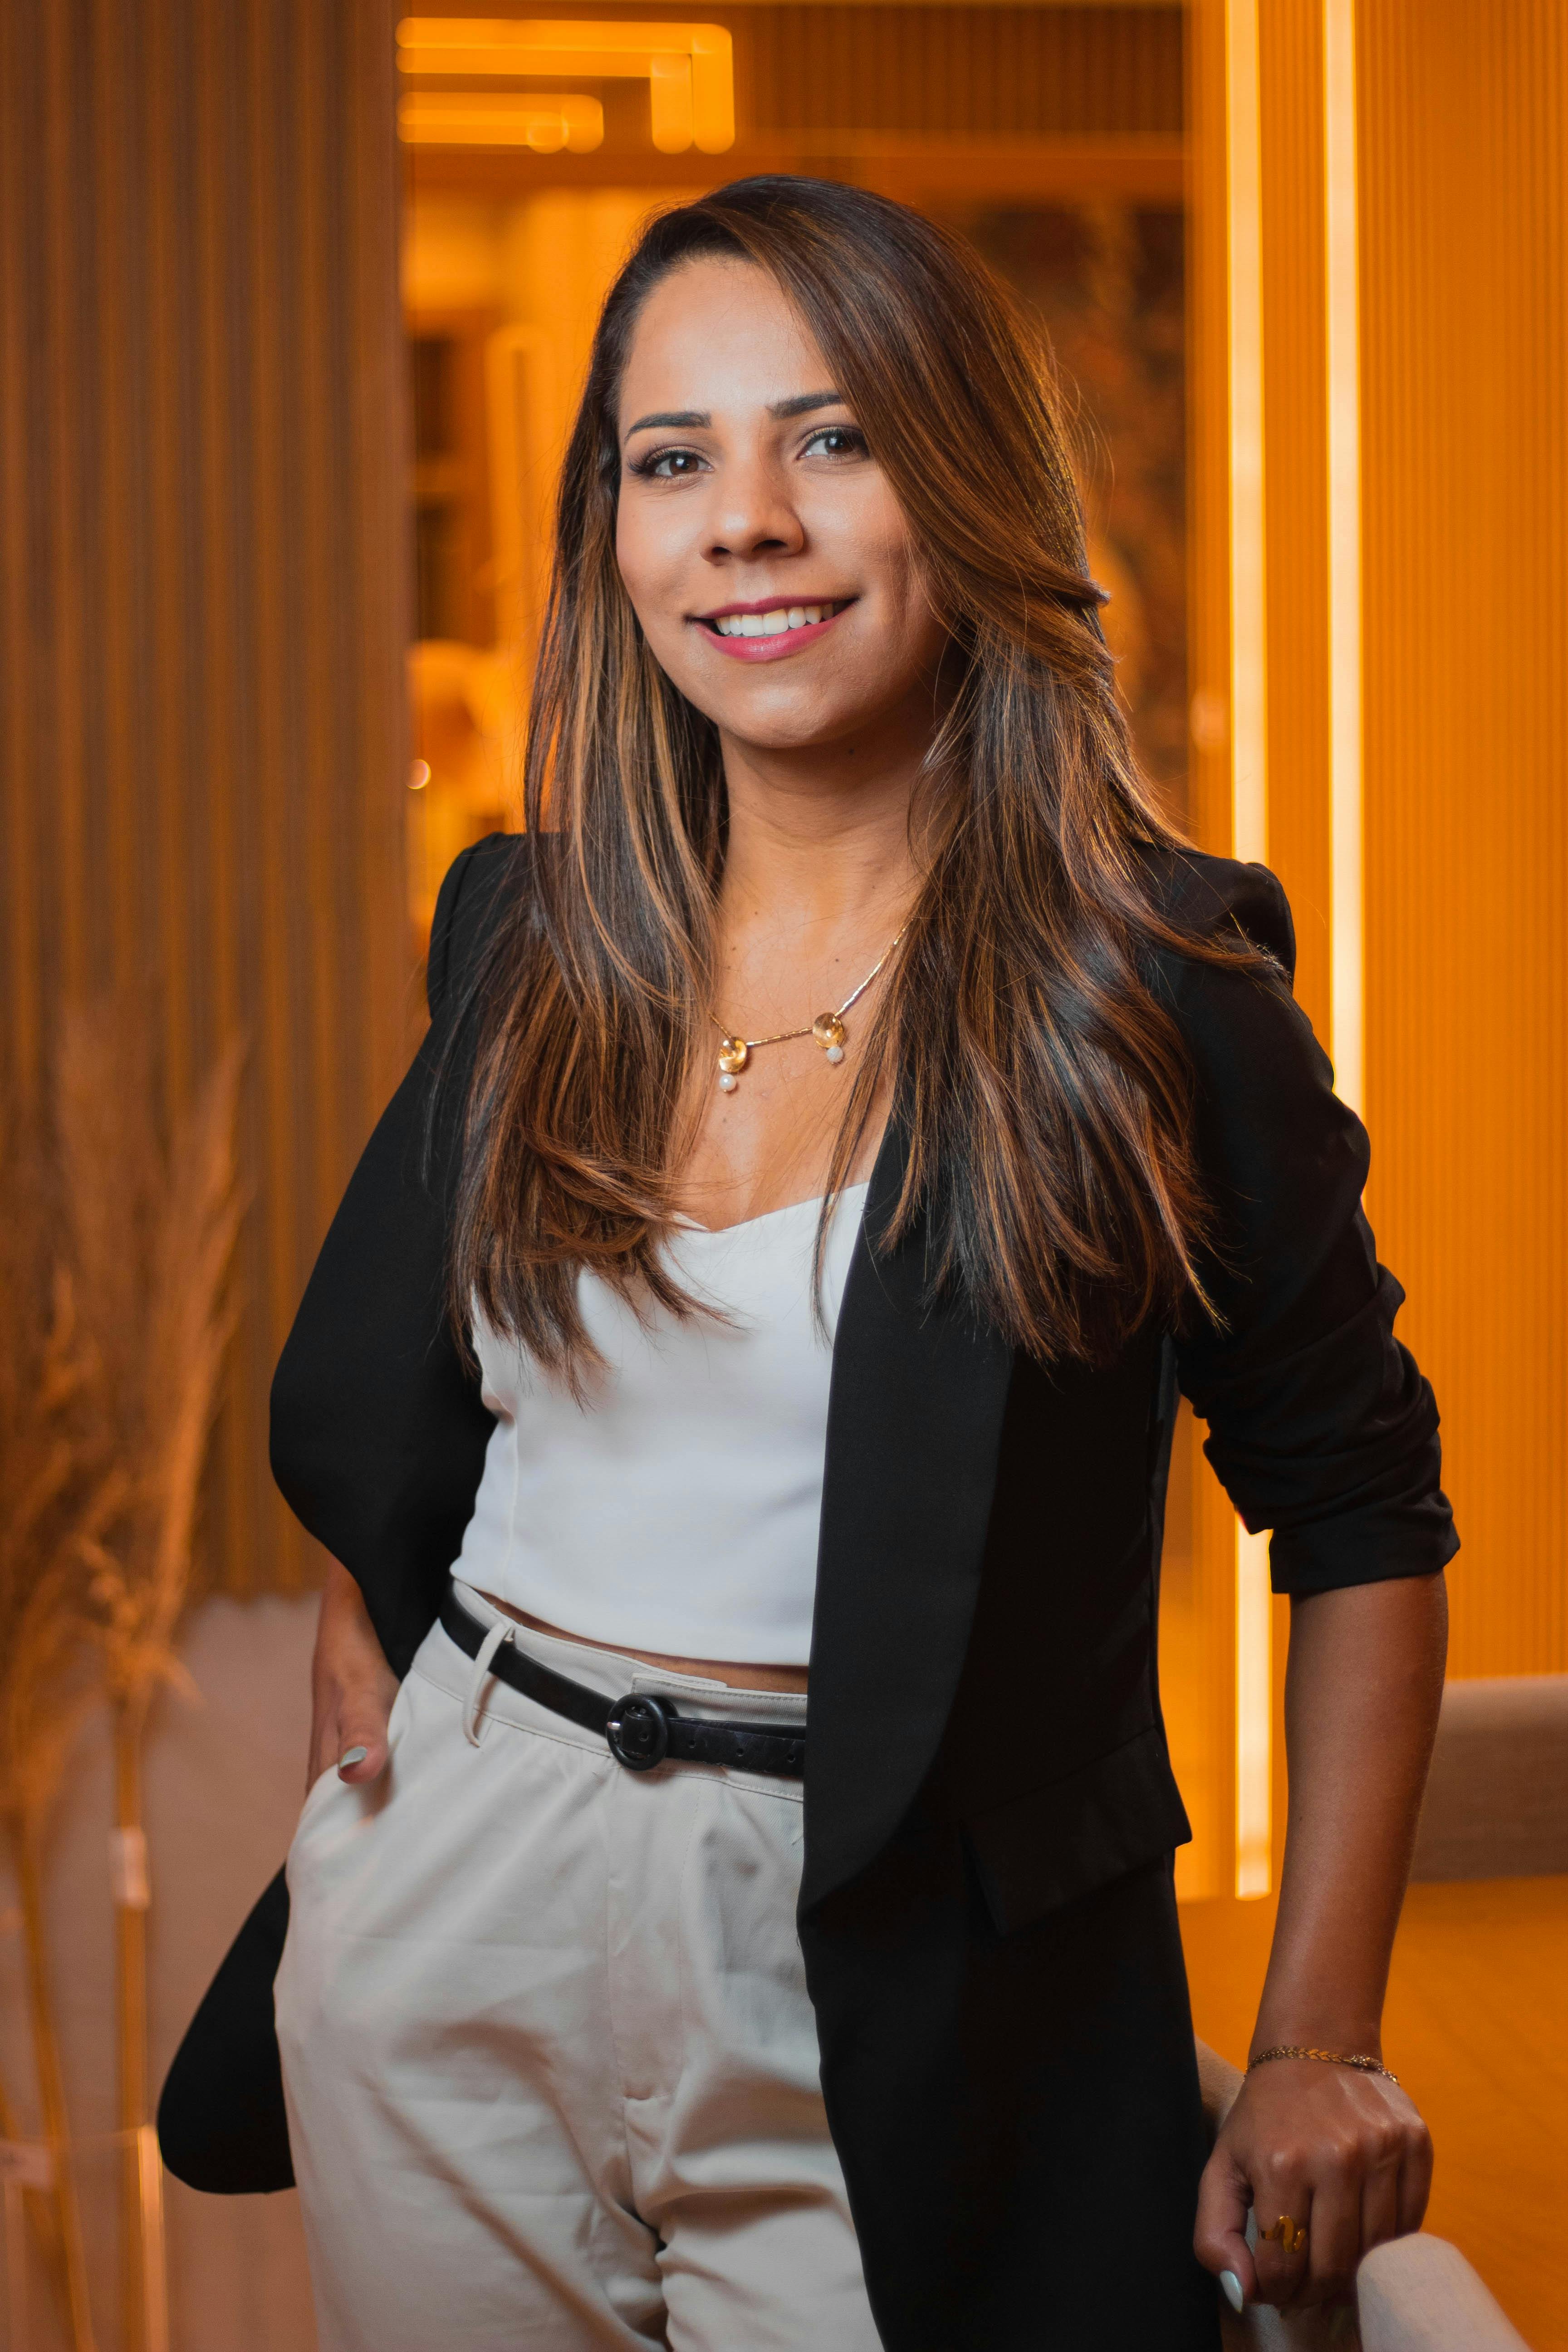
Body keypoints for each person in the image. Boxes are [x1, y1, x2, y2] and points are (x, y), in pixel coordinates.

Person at [158, 177, 1456, 2352]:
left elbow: (1363, 1518)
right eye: (673, 460)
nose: (744, 519)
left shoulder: (1152, 993)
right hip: (461, 1912)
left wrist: (1317, 2031)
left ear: (965, 481)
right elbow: (428, 1405)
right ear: (617, 537)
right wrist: (373, 1676)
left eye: (829, 439)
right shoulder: (527, 936)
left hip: (894, 1966)